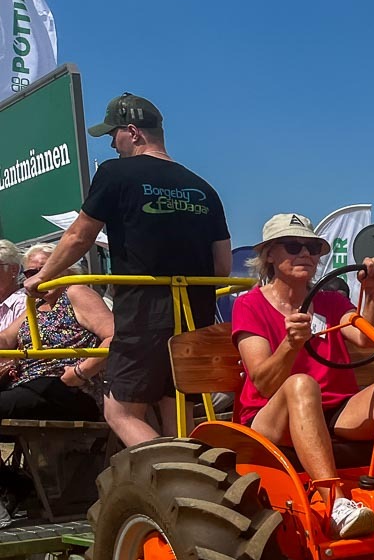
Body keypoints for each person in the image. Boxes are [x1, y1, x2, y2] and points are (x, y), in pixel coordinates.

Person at [24, 93, 231, 447]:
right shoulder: (203, 188)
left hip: (142, 311)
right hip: (195, 312)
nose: (111, 144)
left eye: (113, 134)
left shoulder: (114, 172)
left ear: (133, 132)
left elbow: (79, 236)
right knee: (175, 407)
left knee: (120, 411)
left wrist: (42, 277)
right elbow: (223, 266)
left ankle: (174, 471)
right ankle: (191, 471)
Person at [230, 213, 374, 539]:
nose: (305, 253)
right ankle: (336, 504)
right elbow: (263, 383)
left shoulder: (331, 301)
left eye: (313, 247)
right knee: (302, 385)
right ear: (269, 255)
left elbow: (368, 339)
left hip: (334, 412)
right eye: (293, 246)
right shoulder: (249, 305)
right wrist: (291, 345)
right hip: (269, 418)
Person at [0, 243, 113, 421]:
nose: (40, 278)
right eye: (31, 273)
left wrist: (80, 372)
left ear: (66, 270)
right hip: (31, 386)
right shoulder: (35, 305)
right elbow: (6, 339)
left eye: (46, 269)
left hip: (68, 388)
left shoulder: (76, 292)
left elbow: (114, 336)